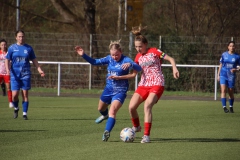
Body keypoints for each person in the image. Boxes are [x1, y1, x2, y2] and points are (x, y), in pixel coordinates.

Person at [75, 40, 141, 142]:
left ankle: (106, 132)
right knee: (100, 108)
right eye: (113, 55)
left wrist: (131, 64)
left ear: (121, 51)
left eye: (117, 55)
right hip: (108, 89)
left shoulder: (126, 60)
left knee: (113, 111)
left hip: (120, 91)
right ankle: (104, 115)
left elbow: (139, 68)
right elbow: (94, 62)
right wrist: (83, 55)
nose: (114, 57)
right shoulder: (109, 59)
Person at [127, 25, 179, 143]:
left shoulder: (154, 51)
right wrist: (119, 77)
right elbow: (134, 74)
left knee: (147, 106)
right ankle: (136, 127)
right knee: (131, 107)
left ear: (145, 44)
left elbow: (171, 59)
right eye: (136, 47)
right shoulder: (137, 57)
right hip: (143, 85)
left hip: (157, 83)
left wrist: (174, 68)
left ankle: (146, 136)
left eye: (140, 46)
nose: (138, 49)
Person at [5, 30, 45, 120]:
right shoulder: (12, 48)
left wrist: (39, 70)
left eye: (22, 36)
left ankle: (24, 113)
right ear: (16, 37)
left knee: (25, 94)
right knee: (14, 95)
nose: (21, 38)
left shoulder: (28, 48)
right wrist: (7, 70)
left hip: (25, 74)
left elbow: (34, 60)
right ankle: (16, 108)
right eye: (19, 36)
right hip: (15, 74)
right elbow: (7, 59)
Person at [217, 41, 240, 113]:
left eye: (233, 46)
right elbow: (221, 65)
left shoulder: (237, 56)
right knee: (223, 90)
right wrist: (218, 75)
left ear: (234, 47)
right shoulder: (224, 54)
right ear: (228, 47)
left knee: (230, 91)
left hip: (231, 76)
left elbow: (239, 67)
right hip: (223, 74)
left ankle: (231, 106)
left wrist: (235, 69)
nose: (232, 47)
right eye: (230, 46)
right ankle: (224, 107)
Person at [0, 39, 13, 107]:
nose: (4, 46)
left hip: (7, 73)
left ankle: (10, 102)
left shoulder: (9, 53)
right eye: (2, 45)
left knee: (8, 87)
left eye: (5, 45)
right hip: (0, 73)